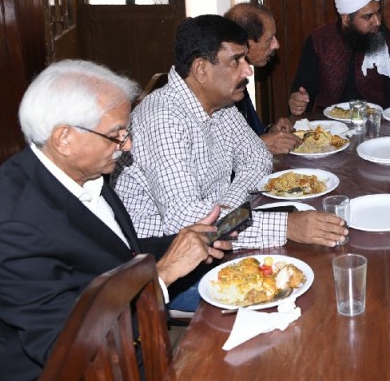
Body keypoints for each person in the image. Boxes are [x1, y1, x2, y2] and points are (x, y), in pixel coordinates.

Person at [0, 60, 232, 380]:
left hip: (138, 349)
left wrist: (182, 242)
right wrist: (164, 274)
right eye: (116, 134)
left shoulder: (83, 170)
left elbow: (113, 254)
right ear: (64, 138)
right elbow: (69, 349)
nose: (127, 145)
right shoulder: (11, 225)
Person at [112, 15, 346, 250]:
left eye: (245, 58)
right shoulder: (163, 119)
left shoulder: (219, 103)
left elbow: (258, 157)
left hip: (215, 234)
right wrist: (286, 226)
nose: (248, 70)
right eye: (236, 60)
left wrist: (228, 208)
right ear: (201, 69)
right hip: (158, 254)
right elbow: (189, 223)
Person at [288, 0, 390, 115]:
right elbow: (303, 88)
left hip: (376, 121)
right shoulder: (318, 41)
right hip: (326, 122)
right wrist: (297, 100)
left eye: (378, 12)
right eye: (368, 16)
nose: (377, 22)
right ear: (346, 19)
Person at [224, 2, 301, 154]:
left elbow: (245, 133)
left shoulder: (239, 77)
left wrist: (271, 131)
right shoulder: (219, 83)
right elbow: (214, 153)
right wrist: (262, 143)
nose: (276, 45)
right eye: (270, 39)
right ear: (246, 43)